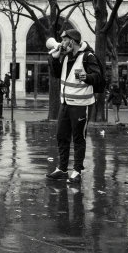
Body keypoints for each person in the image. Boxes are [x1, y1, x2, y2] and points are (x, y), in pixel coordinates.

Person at [45, 29, 103, 184]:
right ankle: (62, 169)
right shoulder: (65, 57)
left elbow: (98, 77)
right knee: (62, 136)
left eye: (64, 40)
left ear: (72, 41)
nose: (62, 43)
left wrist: (87, 77)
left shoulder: (88, 56)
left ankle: (77, 171)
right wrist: (54, 59)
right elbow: (56, 74)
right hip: (65, 104)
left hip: (81, 105)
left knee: (78, 138)